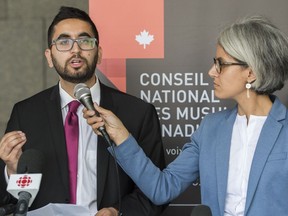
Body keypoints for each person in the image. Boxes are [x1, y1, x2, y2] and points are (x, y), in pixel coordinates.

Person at [83, 15, 288, 216]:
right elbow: (162, 189)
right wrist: (121, 136)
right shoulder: (211, 128)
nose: (211, 71)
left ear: (250, 73)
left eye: (221, 64)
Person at [0, 6, 166, 216]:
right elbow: (8, 200)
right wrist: (12, 171)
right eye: (64, 42)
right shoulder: (25, 114)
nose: (75, 49)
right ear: (49, 57)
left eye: (85, 41)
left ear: (99, 54)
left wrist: (117, 212)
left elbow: (156, 192)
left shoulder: (138, 113)